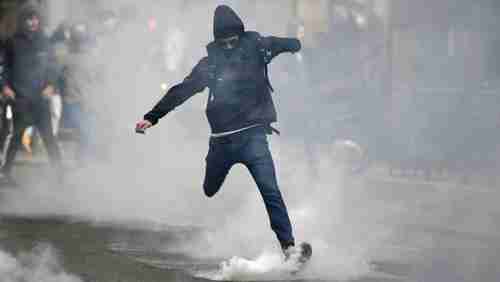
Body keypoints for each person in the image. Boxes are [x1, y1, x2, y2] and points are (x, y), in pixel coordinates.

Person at [136, 5, 312, 262]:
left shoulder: (258, 47)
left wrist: (296, 43)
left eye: (233, 41)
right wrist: (152, 117)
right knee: (209, 189)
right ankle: (212, 174)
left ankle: (289, 250)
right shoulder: (210, 64)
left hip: (253, 137)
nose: (229, 46)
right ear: (217, 41)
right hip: (221, 143)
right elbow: (182, 90)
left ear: (240, 35)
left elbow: (287, 43)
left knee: (270, 190)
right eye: (223, 42)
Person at [1, 6, 63, 184]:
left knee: (49, 137)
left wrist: (51, 85)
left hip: (40, 98)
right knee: (15, 137)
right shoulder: (12, 42)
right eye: (29, 19)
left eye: (35, 18)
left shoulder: (45, 41)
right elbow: (5, 68)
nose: (32, 22)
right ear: (23, 21)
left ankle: (59, 173)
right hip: (19, 98)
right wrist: (5, 87)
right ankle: (5, 173)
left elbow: (54, 67)